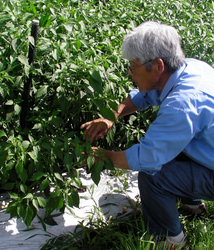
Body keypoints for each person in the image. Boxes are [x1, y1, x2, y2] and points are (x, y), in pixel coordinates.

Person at [80, 21, 214, 249]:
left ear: (158, 66)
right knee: (175, 146)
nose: (130, 73)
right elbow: (142, 97)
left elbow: (147, 157)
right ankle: (192, 204)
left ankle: (170, 240)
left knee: (153, 176)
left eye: (134, 66)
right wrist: (111, 116)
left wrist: (100, 156)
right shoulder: (189, 68)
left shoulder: (183, 103)